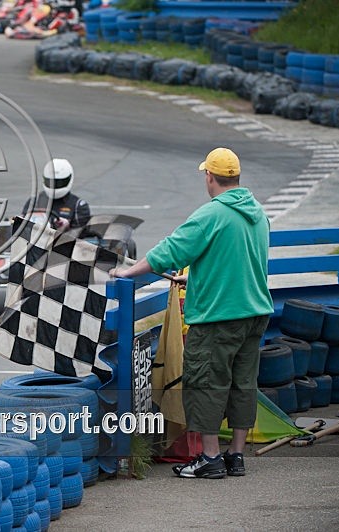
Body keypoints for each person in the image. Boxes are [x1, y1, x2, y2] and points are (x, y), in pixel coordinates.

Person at [110, 147, 273, 479]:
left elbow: (170, 250)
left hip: (218, 318)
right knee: (242, 382)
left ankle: (210, 457)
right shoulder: (256, 211)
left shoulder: (211, 214)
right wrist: (196, 276)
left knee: (205, 382)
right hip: (255, 312)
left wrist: (128, 272)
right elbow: (237, 260)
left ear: (209, 177)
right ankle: (236, 456)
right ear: (237, 177)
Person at [22, 158, 91, 232]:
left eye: (59, 183)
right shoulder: (34, 202)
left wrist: (66, 226)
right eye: (51, 182)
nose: (54, 186)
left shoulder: (78, 206)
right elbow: (22, 227)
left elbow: (81, 236)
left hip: (63, 242)